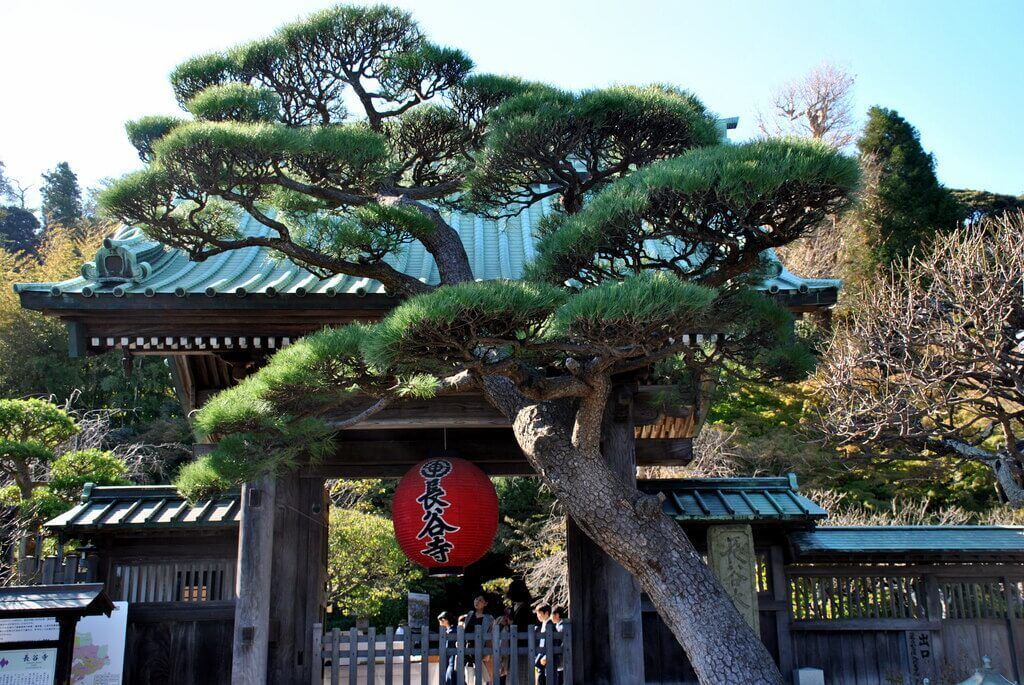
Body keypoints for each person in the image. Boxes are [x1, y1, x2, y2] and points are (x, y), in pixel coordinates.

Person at [464, 595, 494, 683]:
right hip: (468, 652)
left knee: (481, 680)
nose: (477, 601)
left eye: (480, 600)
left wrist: (488, 652)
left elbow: (490, 637)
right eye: (476, 599)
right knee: (469, 680)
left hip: (482, 653)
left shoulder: (489, 618)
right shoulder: (469, 615)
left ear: (485, 603)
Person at [533, 603, 553, 685]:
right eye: (537, 613)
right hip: (542, 654)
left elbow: (552, 643)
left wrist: (546, 656)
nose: (538, 615)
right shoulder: (544, 624)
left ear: (547, 613)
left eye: (539, 613)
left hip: (547, 655)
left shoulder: (550, 625)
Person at [438, 611, 458, 685]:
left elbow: (447, 648)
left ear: (444, 620)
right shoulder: (452, 630)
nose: (439, 623)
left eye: (440, 621)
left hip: (452, 661)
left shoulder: (451, 631)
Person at [550, 606, 567, 685]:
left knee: (561, 678)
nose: (550, 617)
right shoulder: (558, 625)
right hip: (560, 656)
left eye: (551, 615)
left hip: (562, 656)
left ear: (557, 615)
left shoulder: (562, 626)